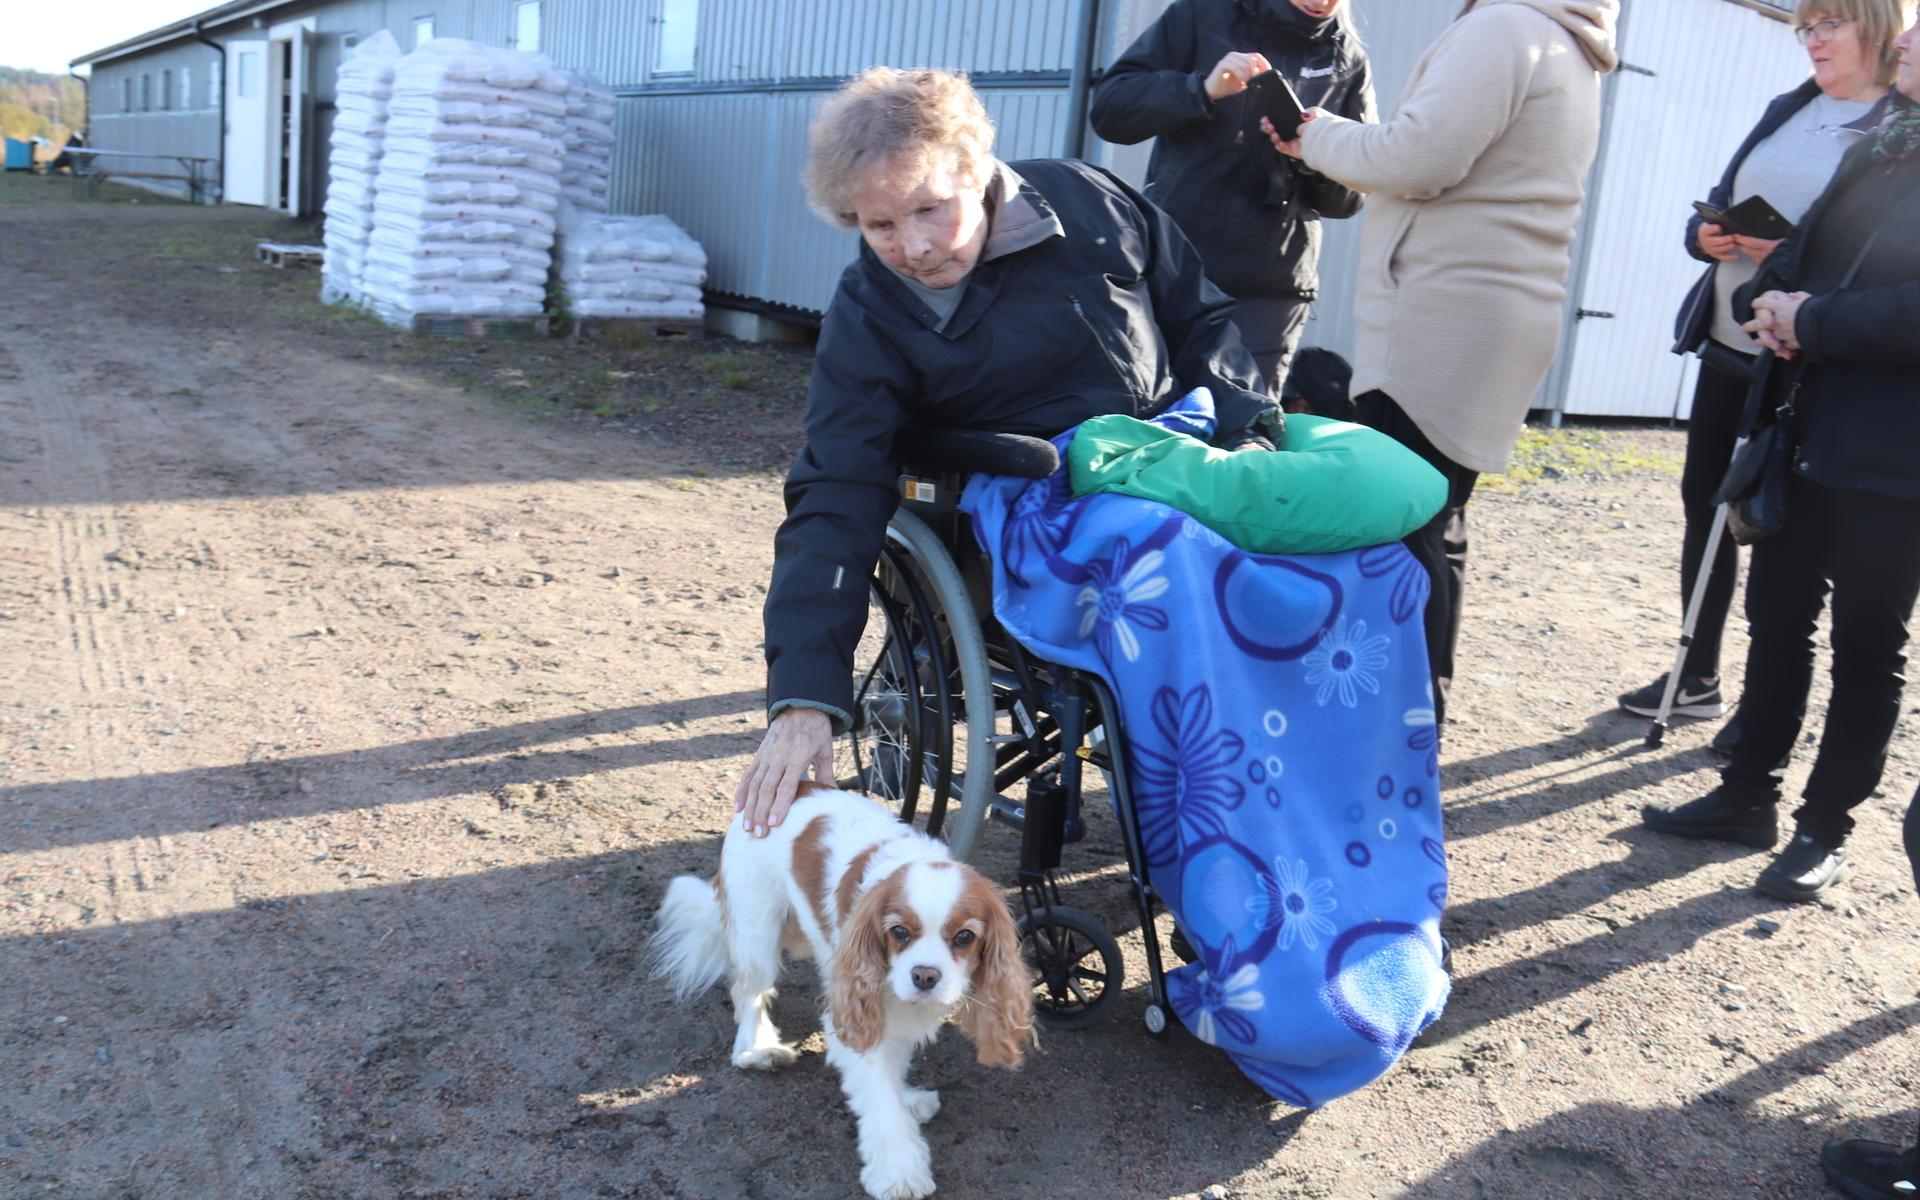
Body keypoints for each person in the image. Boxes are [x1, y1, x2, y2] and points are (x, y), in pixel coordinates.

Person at [734, 67, 1282, 837]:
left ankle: (1315, 811)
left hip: (1176, 464)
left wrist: (1249, 424)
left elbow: (1202, 321)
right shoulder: (870, 310)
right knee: (1184, 571)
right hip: (1028, 508)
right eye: (880, 227)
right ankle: (1223, 835)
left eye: (930, 209)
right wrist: (803, 693)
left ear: (978, 170)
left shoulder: (1093, 202)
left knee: (1354, 559)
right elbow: (836, 487)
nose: (915, 247)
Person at [1267, 0, 1619, 726]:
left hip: (1445, 320)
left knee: (1401, 529)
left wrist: (1316, 134)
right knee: (1435, 522)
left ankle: (1392, 732)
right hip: (1498, 315)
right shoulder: (1566, 40)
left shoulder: (1503, 29)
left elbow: (1418, 159)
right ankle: (1416, 719)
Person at [1641, 10, 1920, 904]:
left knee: (1866, 644)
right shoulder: (1882, 142)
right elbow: (1798, 251)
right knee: (1777, 613)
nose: (1905, 42)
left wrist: (1814, 321)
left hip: (1894, 457)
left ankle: (1822, 830)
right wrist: (1768, 299)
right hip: (1806, 425)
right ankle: (1746, 794)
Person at [1088, 0, 1375, 399]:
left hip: (1273, 284)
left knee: (1245, 429)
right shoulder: (1202, 15)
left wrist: (1314, 152)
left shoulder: (1346, 57)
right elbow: (1109, 110)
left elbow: (1350, 197)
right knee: (1154, 412)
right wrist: (1203, 90)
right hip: (1178, 269)